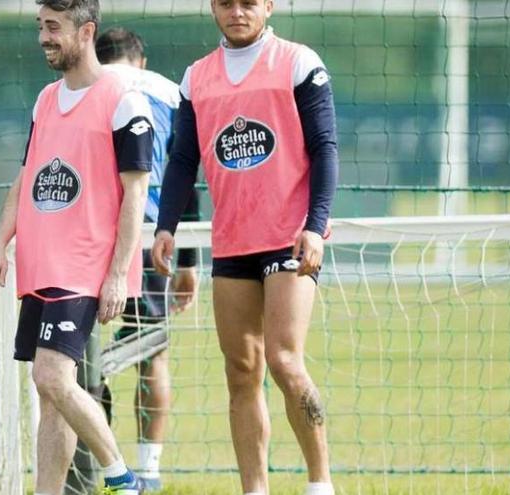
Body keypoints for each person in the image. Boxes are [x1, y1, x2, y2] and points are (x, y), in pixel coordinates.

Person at [151, 1, 339, 494]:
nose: (237, 11)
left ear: (268, 6)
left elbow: (325, 148)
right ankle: (254, 489)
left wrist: (316, 226)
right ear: (213, 7)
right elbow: (182, 159)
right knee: (241, 372)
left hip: (289, 239)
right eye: (226, 2)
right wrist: (165, 226)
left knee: (283, 359)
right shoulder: (196, 78)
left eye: (248, 2)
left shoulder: (299, 63)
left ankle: (321, 483)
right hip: (233, 243)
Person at [0, 0, 154, 493]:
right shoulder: (44, 100)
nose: (43, 37)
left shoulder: (124, 98)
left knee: (52, 376)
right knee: (51, 395)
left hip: (84, 267)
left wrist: (118, 273)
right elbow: (26, 175)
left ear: (86, 32)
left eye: (53, 27)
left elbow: (135, 191)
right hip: (41, 265)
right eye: (40, 26)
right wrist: (0, 246)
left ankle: (123, 476)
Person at [94, 26, 200, 492]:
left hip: (90, 234)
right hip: (150, 234)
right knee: (152, 350)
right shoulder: (170, 94)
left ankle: (98, 462)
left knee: (75, 346)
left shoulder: (86, 87)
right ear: (141, 60)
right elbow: (187, 172)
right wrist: (190, 261)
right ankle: (149, 472)